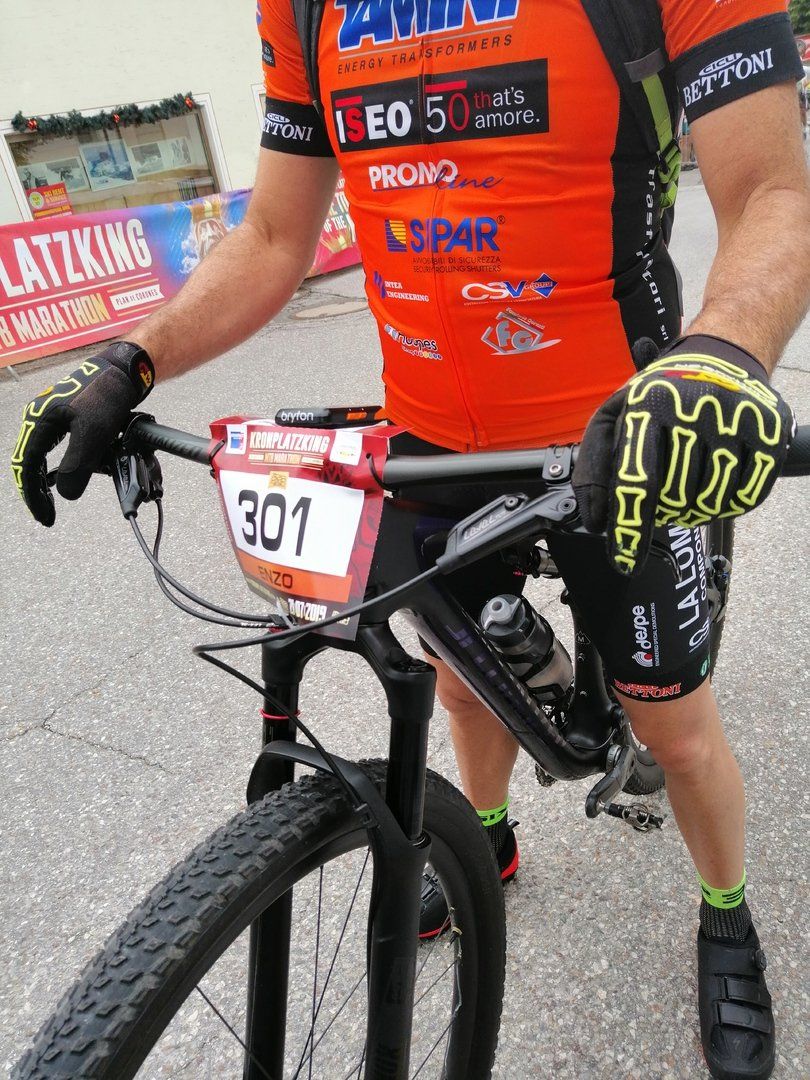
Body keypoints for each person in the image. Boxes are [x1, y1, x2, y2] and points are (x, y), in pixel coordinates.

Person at [11, 2, 809, 1077]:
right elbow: (275, 237)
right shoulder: (305, 8)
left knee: (675, 729)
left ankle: (725, 909)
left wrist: (724, 352)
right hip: (430, 440)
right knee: (466, 684)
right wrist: (129, 361)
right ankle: (488, 835)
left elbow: (771, 192)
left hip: (623, 432)